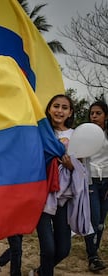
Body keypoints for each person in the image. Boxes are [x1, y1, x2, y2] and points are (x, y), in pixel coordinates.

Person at [30, 94, 90, 276]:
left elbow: (83, 169)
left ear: (71, 112)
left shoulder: (76, 136)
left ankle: (41, 271)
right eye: (56, 106)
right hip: (42, 197)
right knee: (48, 249)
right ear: (49, 109)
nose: (59, 110)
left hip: (64, 200)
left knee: (63, 249)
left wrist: (73, 166)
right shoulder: (40, 131)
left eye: (65, 107)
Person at [83, 101, 108, 272]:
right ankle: (93, 256)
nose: (94, 116)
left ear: (105, 116)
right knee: (93, 217)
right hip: (91, 180)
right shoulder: (84, 133)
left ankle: (94, 251)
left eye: (98, 113)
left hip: (106, 181)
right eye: (92, 113)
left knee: (100, 222)